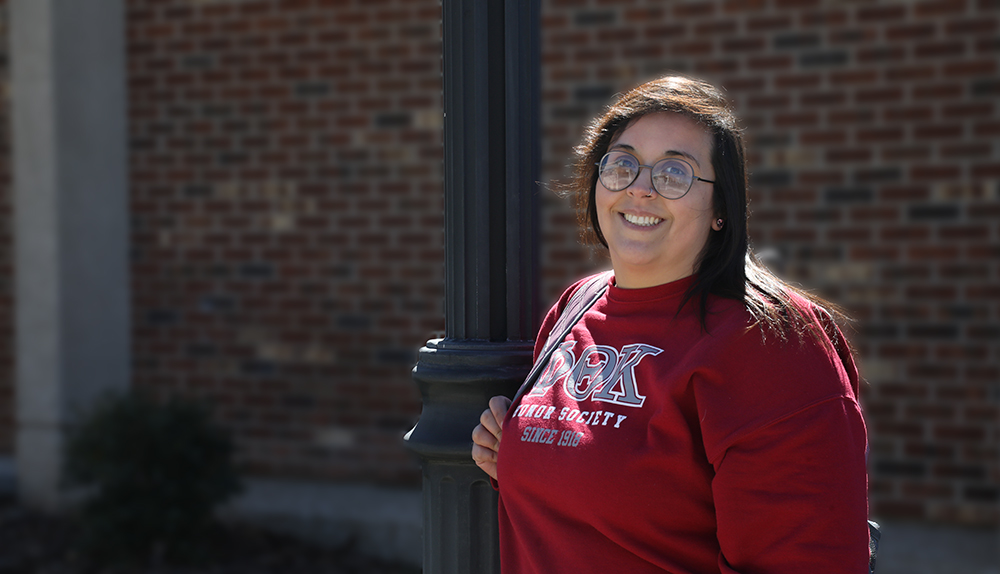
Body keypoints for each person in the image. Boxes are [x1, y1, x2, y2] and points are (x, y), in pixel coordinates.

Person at [471, 75, 870, 573]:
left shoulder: (771, 341)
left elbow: (807, 558)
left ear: (720, 207)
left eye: (675, 173)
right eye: (622, 164)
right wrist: (517, 456)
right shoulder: (577, 304)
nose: (640, 187)